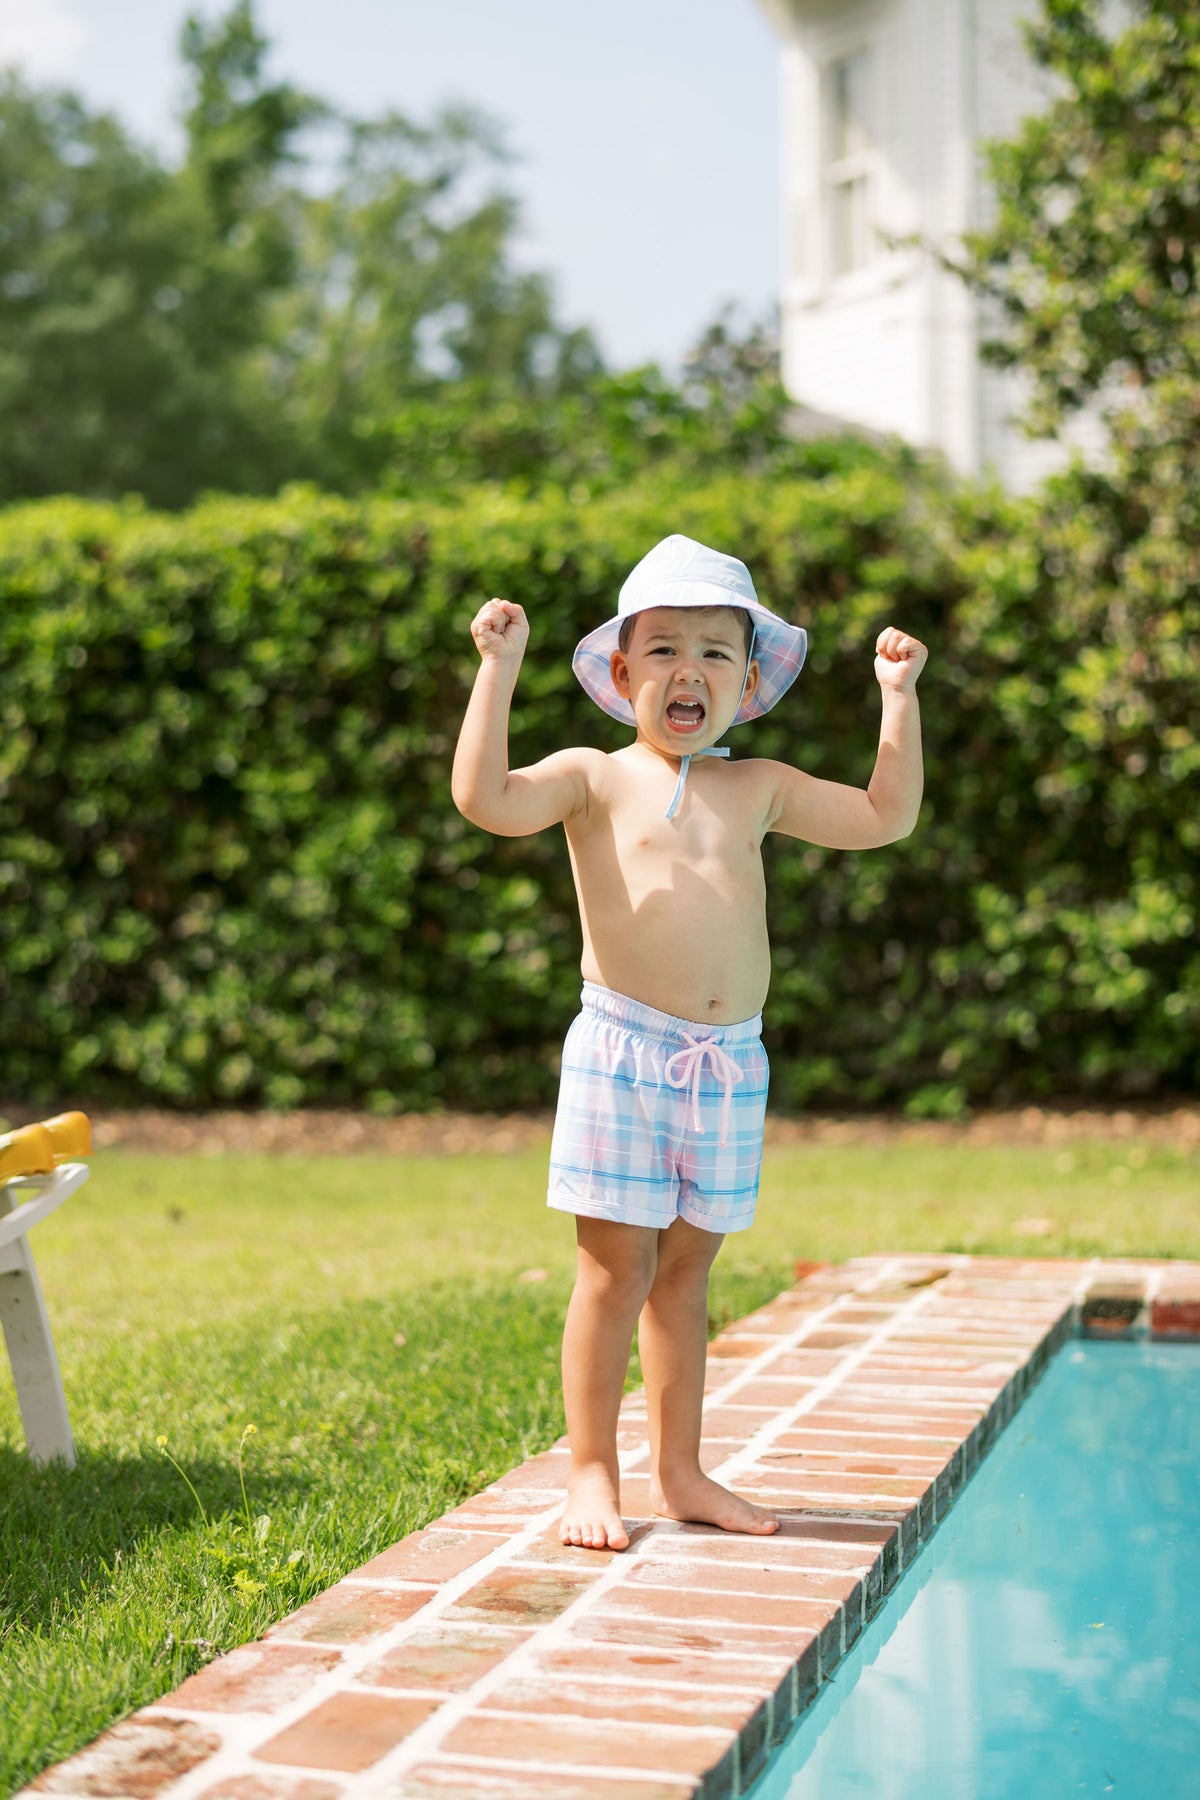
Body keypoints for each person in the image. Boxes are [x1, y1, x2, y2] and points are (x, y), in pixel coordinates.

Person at [452, 533, 927, 1551]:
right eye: (663, 649)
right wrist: (497, 672)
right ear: (622, 674)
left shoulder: (755, 785)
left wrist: (897, 696)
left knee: (686, 1277)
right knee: (614, 1272)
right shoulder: (592, 777)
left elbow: (887, 816)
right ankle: (591, 1470)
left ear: (749, 682)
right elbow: (485, 802)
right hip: (624, 1055)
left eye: (716, 653)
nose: (689, 671)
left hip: (728, 1067)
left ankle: (682, 1471)